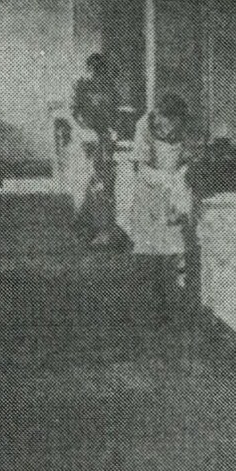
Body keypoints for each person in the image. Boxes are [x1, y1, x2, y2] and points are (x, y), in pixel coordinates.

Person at [129, 93, 203, 304]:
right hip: (149, 193)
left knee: (181, 247)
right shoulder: (144, 125)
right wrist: (164, 178)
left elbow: (192, 157)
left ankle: (185, 302)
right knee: (152, 255)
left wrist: (182, 174)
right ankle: (153, 306)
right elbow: (139, 167)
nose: (171, 130)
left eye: (176, 125)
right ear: (159, 117)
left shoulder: (188, 127)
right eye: (167, 124)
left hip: (177, 193)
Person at [71, 53, 124, 249]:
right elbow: (74, 113)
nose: (96, 76)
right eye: (92, 72)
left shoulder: (109, 86)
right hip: (86, 136)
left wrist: (113, 130)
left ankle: (104, 226)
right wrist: (85, 131)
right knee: (93, 178)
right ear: (87, 70)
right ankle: (87, 223)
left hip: (104, 136)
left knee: (105, 179)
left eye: (99, 72)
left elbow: (115, 112)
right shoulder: (80, 86)